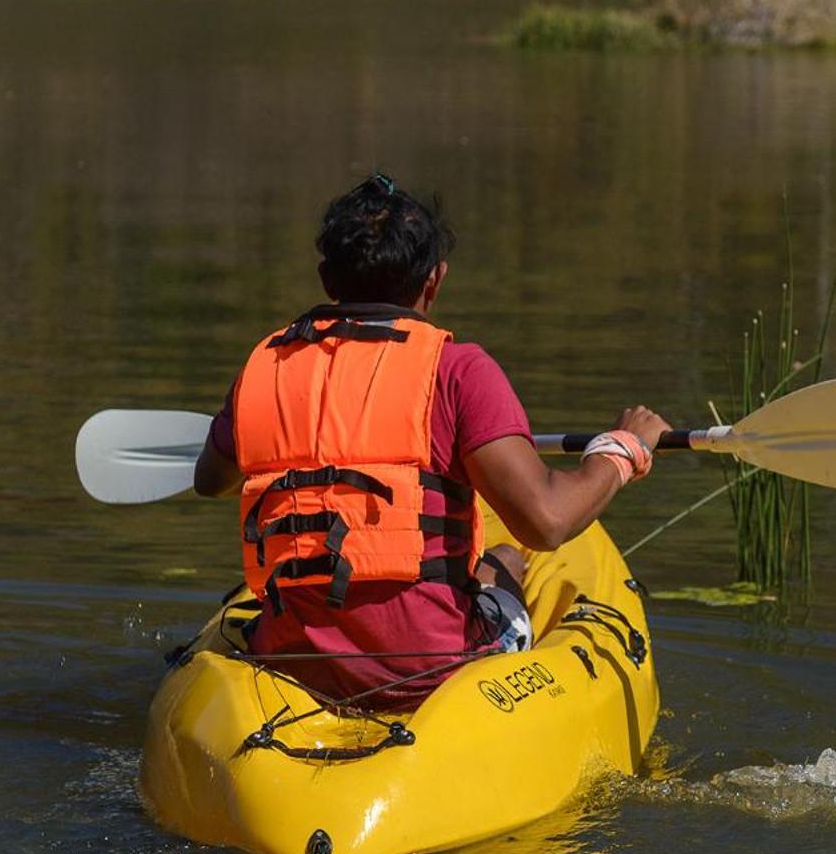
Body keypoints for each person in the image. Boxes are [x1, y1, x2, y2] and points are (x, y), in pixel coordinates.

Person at [193, 173, 670, 709]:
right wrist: (624, 448)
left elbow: (212, 481)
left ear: (327, 279)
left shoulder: (266, 367)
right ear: (434, 280)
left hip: (291, 661)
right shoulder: (457, 370)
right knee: (508, 560)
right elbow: (548, 521)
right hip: (429, 671)